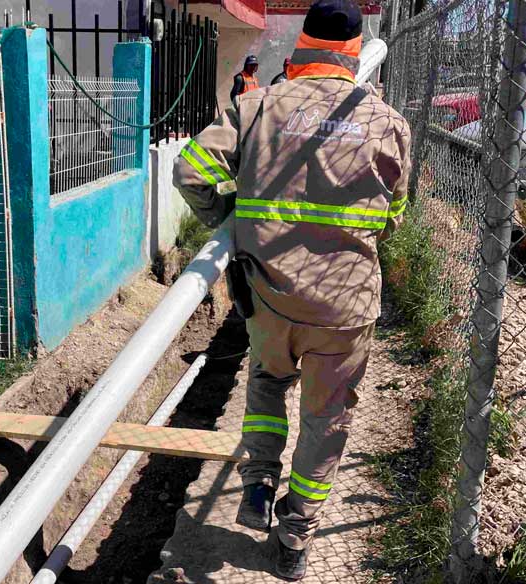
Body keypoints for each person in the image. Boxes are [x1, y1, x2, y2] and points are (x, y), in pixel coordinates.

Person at [173, 0, 412, 579]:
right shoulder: (385, 122)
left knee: (266, 380)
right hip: (345, 304)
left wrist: (228, 217)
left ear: (303, 43)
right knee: (327, 419)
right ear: (356, 53)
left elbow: (192, 169)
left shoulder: (258, 105)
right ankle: (297, 536)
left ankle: (256, 484)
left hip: (272, 292)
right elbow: (395, 213)